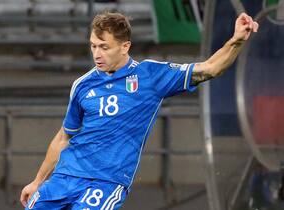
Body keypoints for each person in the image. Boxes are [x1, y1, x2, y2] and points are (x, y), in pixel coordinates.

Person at [20, 11, 258, 210]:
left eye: (104, 47)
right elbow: (64, 137)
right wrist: (37, 181)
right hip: (64, 177)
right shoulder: (83, 84)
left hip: (106, 182)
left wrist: (236, 39)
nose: (96, 54)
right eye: (93, 46)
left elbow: (210, 68)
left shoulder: (150, 76)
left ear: (125, 47)